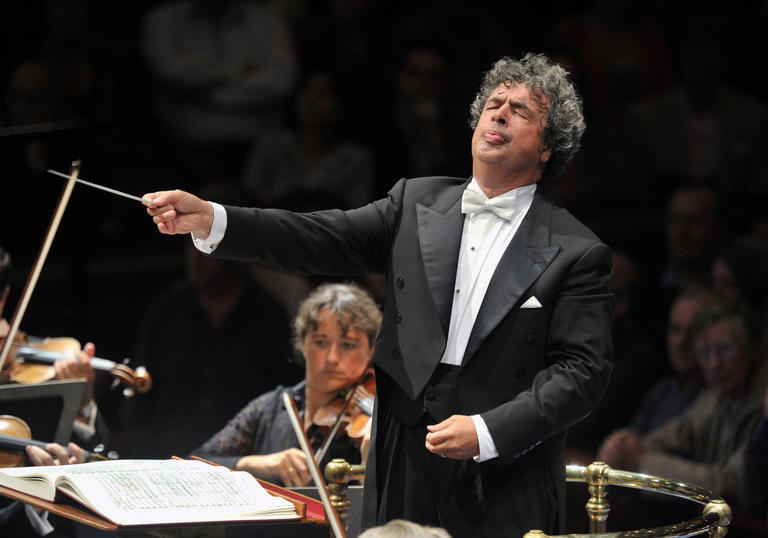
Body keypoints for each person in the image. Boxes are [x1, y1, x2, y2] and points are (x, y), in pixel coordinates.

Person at [143, 53, 614, 536]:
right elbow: (314, 236)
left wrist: (489, 431)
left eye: (521, 111)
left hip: (504, 471)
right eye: (495, 102)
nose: (498, 113)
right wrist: (216, 219)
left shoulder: (576, 250)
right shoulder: (414, 202)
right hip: (405, 452)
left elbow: (583, 373)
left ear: (547, 147)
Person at [192, 282, 381, 487]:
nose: (332, 358)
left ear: (371, 349)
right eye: (321, 342)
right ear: (302, 344)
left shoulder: (376, 418)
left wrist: (370, 465)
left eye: (348, 345)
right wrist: (257, 464)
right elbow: (193, 464)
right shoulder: (271, 408)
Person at [597, 302, 767, 509]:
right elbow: (660, 440)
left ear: (754, 348)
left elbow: (730, 485)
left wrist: (640, 461)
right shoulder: (715, 396)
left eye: (726, 348)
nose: (714, 363)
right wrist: (624, 450)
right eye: (704, 352)